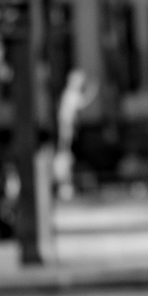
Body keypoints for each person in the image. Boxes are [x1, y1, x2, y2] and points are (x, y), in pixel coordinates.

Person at [53, 69, 99, 202]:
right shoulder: (71, 94)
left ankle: (66, 185)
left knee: (66, 154)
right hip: (67, 127)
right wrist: (93, 91)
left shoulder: (70, 93)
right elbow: (81, 104)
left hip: (68, 127)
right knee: (65, 153)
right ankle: (64, 184)